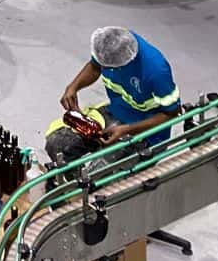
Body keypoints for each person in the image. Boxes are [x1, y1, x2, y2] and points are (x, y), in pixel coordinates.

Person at [48, 27, 181, 164]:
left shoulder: (156, 71)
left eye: (107, 67)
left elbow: (171, 114)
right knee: (57, 145)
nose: (103, 69)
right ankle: (70, 182)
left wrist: (127, 130)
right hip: (116, 112)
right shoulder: (112, 45)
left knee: (100, 172)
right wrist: (74, 87)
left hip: (147, 133)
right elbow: (95, 66)